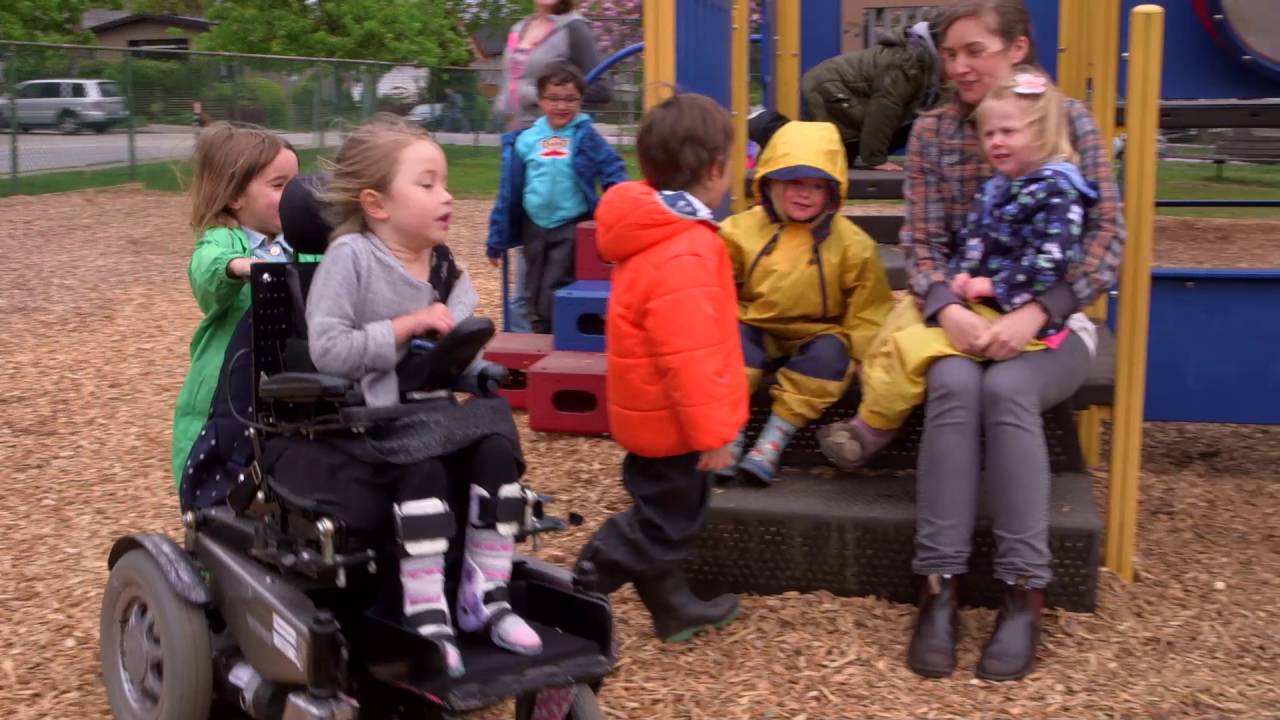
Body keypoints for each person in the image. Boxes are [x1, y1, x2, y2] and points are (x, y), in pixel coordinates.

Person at [828, 0, 1123, 682]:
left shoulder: (1066, 117)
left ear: (1017, 49)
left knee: (1011, 392)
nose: (958, 66)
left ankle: (1025, 590)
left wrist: (1036, 312)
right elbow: (924, 243)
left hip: (1048, 322)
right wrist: (943, 305)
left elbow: (1107, 239)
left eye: (975, 51)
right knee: (956, 385)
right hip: (959, 316)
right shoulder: (933, 132)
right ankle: (938, 584)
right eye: (951, 54)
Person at [260, 116, 541, 678]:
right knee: (425, 467)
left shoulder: (447, 270)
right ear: (377, 203)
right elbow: (330, 349)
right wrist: (407, 324)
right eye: (428, 183)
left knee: (492, 441)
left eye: (445, 183)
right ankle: (425, 613)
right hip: (366, 424)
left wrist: (478, 374)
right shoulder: (351, 259)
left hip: (430, 417)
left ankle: (484, 598)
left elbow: (445, 362)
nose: (447, 195)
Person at [819, 69, 1099, 469]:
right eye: (989, 135)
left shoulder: (1058, 190)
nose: (996, 142)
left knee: (913, 348)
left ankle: (873, 428)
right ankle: (877, 382)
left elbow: (1049, 262)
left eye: (1008, 132)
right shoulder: (1003, 184)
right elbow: (976, 238)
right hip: (984, 298)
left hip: (1016, 315)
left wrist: (993, 286)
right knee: (903, 314)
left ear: (1040, 134)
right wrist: (961, 276)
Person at [573, 94, 747, 643]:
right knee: (665, 522)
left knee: (668, 515)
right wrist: (713, 434)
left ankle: (671, 607)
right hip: (674, 425)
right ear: (715, 169)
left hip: (653, 413)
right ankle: (584, 580)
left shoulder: (656, 229)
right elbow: (688, 356)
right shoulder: (686, 248)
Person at [717, 121, 894, 484]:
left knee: (831, 355)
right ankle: (730, 432)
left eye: (818, 186)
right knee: (730, 344)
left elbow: (868, 307)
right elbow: (716, 285)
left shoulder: (853, 244)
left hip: (817, 331)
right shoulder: (739, 231)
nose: (805, 194)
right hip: (756, 324)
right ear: (770, 182)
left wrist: (863, 357)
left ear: (834, 193)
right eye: (795, 182)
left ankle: (774, 438)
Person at [171, 122, 307, 490]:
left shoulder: (301, 242)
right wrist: (237, 266)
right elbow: (206, 268)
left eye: (296, 186)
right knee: (224, 461)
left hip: (286, 380)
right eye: (279, 186)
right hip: (227, 385)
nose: (292, 196)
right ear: (235, 197)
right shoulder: (224, 240)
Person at [493, 0, 612, 332]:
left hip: (558, 145)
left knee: (556, 266)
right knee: (523, 242)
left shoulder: (573, 28)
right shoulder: (521, 27)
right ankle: (520, 358)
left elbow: (601, 88)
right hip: (522, 141)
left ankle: (548, 338)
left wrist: (553, 100)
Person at [486, 63, 628, 333]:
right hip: (535, 224)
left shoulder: (585, 136)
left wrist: (618, 202)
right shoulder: (528, 139)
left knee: (559, 277)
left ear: (581, 101)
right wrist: (495, 241)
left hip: (570, 222)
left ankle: (560, 327)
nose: (562, 106)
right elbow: (507, 192)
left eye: (570, 99)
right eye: (554, 98)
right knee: (533, 281)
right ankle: (541, 326)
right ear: (540, 100)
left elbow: (613, 168)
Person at [800, 17, 941, 171]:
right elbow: (885, 109)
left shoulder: (922, 59)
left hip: (836, 87)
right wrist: (876, 159)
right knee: (838, 161)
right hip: (830, 88)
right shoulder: (906, 64)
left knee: (915, 119)